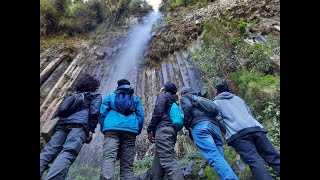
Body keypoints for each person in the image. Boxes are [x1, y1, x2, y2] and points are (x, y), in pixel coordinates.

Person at [213, 82, 280, 180]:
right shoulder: (238, 99)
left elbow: (219, 120)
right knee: (272, 156)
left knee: (255, 161)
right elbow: (249, 113)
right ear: (227, 89)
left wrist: (227, 130)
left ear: (217, 91)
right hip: (255, 129)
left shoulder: (216, 103)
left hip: (238, 135)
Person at [40, 74, 102, 180]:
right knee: (68, 152)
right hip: (79, 126)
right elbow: (94, 113)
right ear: (94, 86)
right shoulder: (95, 96)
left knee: (48, 152)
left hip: (61, 126)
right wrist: (91, 130)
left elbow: (59, 112)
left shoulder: (71, 96)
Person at [180, 87, 238, 180]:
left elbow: (188, 107)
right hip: (214, 127)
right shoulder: (202, 98)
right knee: (219, 157)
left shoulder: (186, 97)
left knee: (213, 155)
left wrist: (187, 124)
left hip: (200, 126)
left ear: (183, 93)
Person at [99, 79, 144, 180]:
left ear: (118, 86)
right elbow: (140, 116)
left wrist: (104, 128)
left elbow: (102, 114)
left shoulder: (110, 96)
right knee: (127, 162)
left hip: (111, 129)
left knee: (109, 157)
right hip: (130, 130)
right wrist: (137, 130)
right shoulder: (135, 98)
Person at [147, 82, 184, 180]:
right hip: (170, 132)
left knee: (168, 160)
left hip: (164, 131)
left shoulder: (164, 96)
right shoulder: (173, 101)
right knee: (156, 170)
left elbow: (158, 112)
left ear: (164, 88)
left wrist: (150, 129)